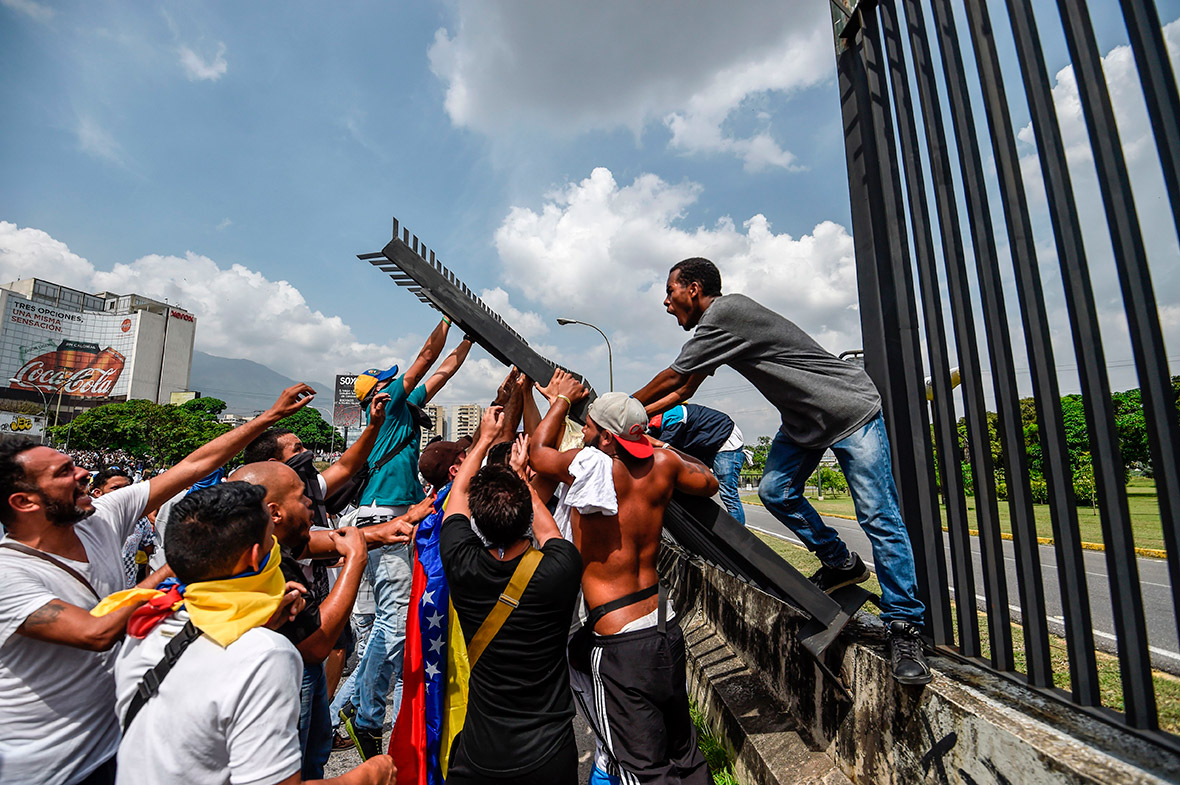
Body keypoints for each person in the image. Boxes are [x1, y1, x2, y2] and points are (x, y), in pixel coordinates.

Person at [0, 382, 318, 785]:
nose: (83, 472)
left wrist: (269, 417)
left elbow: (193, 467)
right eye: (63, 472)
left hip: (115, 746)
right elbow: (96, 632)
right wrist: (185, 564)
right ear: (24, 503)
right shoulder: (8, 576)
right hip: (48, 768)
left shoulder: (100, 515)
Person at [634, 257, 931, 685]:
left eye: (670, 292)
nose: (666, 302)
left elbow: (672, 377)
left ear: (694, 289)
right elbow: (684, 388)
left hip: (846, 408)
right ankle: (841, 562)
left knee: (878, 516)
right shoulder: (719, 328)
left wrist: (622, 406)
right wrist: (633, 419)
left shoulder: (726, 313)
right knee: (775, 491)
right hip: (803, 422)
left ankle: (905, 625)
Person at [111, 481, 396, 785]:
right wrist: (366, 776)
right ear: (255, 556)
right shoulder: (264, 654)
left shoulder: (147, 618)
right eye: (273, 543)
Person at [530, 374, 717, 784]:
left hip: (617, 640)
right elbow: (708, 479)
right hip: (662, 624)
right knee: (684, 753)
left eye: (591, 428)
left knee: (637, 766)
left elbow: (538, 454)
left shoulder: (590, 466)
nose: (586, 435)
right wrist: (656, 443)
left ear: (609, 440)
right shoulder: (664, 465)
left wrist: (561, 400)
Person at [229, 461, 431, 777]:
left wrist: (398, 522)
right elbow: (317, 643)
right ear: (275, 513)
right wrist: (356, 561)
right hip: (287, 683)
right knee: (299, 767)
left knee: (314, 756)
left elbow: (327, 540)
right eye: (300, 496)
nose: (310, 501)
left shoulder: (264, 542)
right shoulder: (263, 566)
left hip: (297, 676)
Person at [343, 321, 472, 760]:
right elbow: (426, 359)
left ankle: (349, 706)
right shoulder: (390, 408)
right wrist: (448, 317)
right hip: (388, 513)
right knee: (394, 622)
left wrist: (469, 339)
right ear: (381, 393)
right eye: (392, 381)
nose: (402, 383)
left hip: (389, 512)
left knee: (388, 621)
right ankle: (365, 716)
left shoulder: (401, 410)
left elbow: (441, 373)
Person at [441, 408, 582, 783]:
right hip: (548, 749)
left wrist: (484, 438)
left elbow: (455, 498)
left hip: (481, 752)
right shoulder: (559, 568)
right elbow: (549, 531)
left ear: (477, 519)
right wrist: (522, 479)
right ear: (525, 514)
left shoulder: (462, 563)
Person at [647, 403, 748, 524]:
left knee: (728, 493)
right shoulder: (656, 422)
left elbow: (660, 448)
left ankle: (737, 537)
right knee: (693, 485)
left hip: (725, 443)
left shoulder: (674, 416)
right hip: (706, 446)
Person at [90, 468, 157, 587]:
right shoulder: (87, 520)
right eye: (115, 488)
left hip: (126, 592)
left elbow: (151, 553)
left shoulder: (139, 519)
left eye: (127, 488)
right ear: (97, 493)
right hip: (94, 594)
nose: (123, 493)